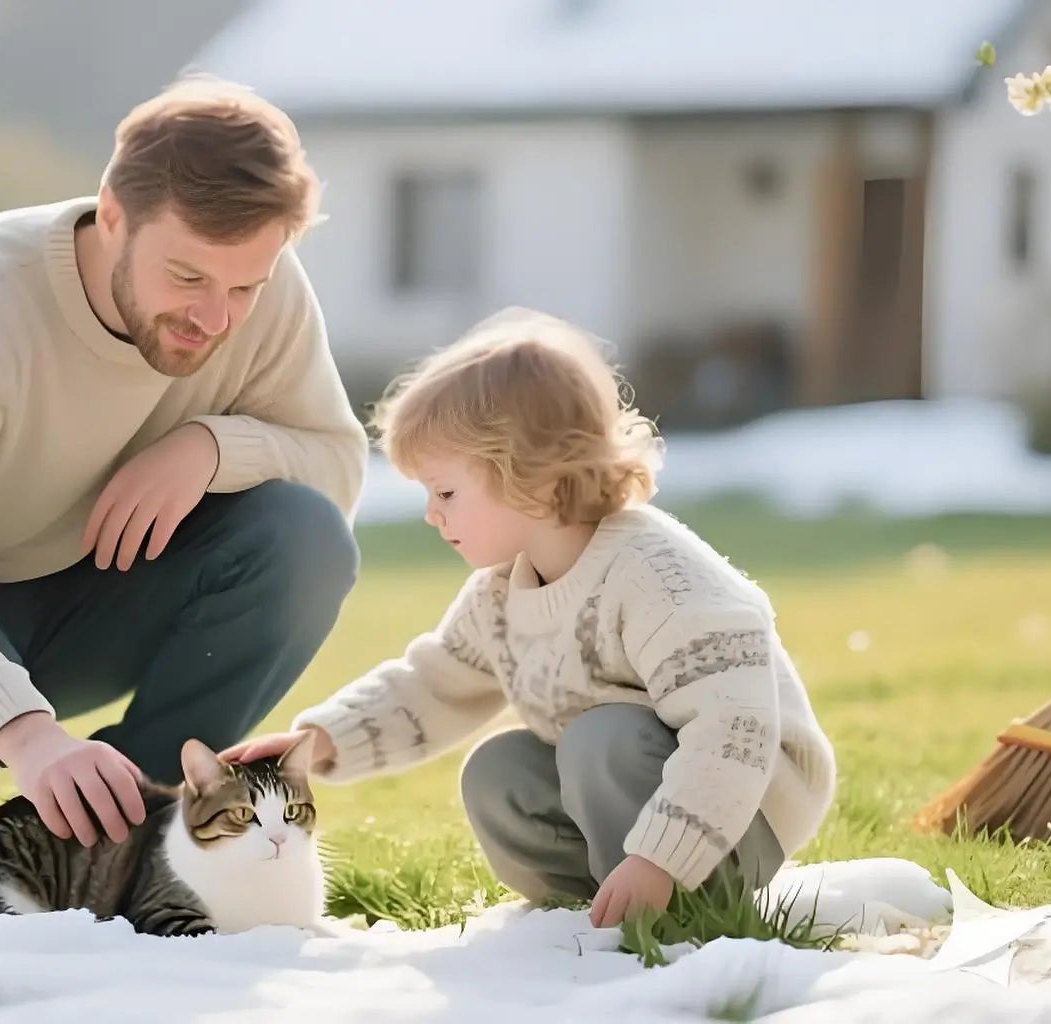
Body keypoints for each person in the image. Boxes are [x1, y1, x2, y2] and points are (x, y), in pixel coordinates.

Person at [0, 76, 368, 865]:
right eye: (187, 278)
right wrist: (27, 736)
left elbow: (335, 466)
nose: (216, 319)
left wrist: (212, 450)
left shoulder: (264, 290)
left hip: (88, 587)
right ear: (113, 215)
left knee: (305, 540)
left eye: (244, 287)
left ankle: (137, 824)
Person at [223, 307, 837, 928]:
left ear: (534, 480)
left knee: (601, 740)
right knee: (499, 772)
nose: (431, 515)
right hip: (633, 802)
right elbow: (432, 683)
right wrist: (321, 739)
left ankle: (678, 905)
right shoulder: (500, 592)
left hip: (738, 814)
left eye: (446, 493)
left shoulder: (659, 578)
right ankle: (593, 909)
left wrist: (661, 860)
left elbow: (733, 728)